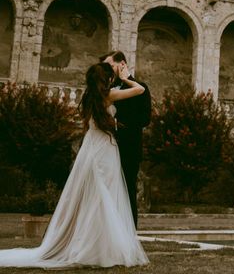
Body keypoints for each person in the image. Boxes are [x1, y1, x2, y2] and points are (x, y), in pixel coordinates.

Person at [0, 63, 149, 268]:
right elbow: (140, 90)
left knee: (93, 196)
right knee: (105, 195)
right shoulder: (109, 95)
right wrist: (126, 78)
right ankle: (100, 246)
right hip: (105, 148)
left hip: (91, 146)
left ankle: (92, 243)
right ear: (107, 79)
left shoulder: (90, 97)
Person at [100, 51, 152, 228]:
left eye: (110, 65)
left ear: (121, 64)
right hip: (106, 145)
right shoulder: (107, 90)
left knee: (128, 187)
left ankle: (129, 231)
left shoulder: (140, 87)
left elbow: (145, 119)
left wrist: (120, 124)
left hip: (129, 146)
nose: (107, 70)